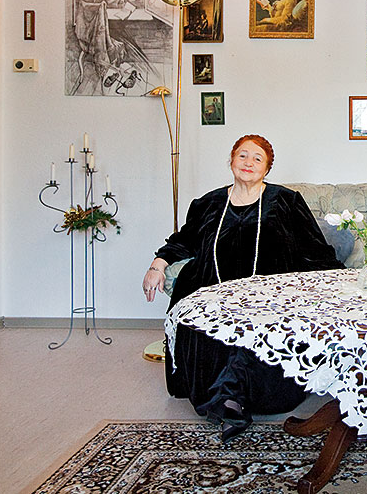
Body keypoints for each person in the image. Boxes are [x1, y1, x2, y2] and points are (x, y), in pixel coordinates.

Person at [141, 134, 341, 442]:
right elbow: (183, 240)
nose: (249, 162)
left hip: (270, 294)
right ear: (232, 160)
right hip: (212, 287)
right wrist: (158, 265)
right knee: (207, 326)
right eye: (242, 155)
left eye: (257, 158)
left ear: (267, 168)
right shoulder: (208, 203)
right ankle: (230, 402)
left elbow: (313, 246)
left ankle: (232, 401)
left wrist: (337, 281)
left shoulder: (285, 201)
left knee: (255, 331)